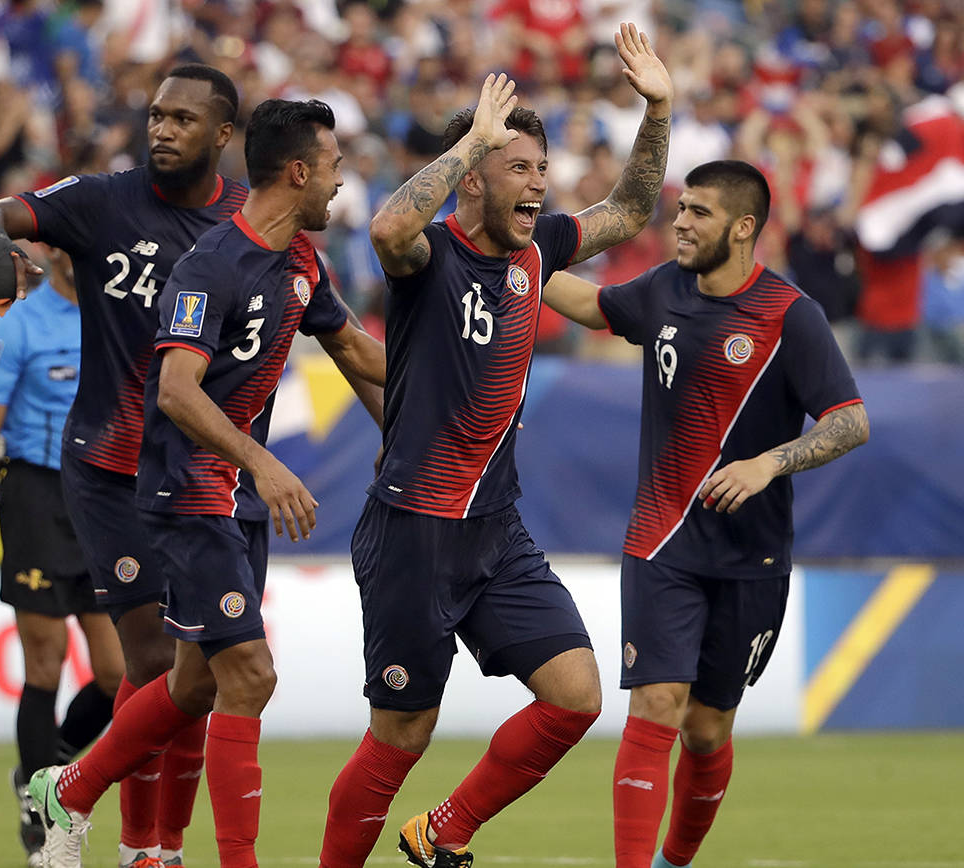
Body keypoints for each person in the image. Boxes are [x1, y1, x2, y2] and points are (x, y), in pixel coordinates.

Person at [318, 23, 673, 868]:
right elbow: (388, 228)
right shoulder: (429, 256)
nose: (539, 187)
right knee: (401, 735)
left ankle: (442, 830)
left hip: (495, 530)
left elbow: (627, 209)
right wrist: (473, 137)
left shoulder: (538, 252)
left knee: (577, 696)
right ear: (472, 178)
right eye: (520, 169)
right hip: (412, 531)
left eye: (542, 171)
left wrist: (658, 109)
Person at [26, 97, 386, 868]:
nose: (340, 186)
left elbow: (359, 355)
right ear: (298, 172)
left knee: (192, 683)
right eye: (333, 170)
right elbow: (177, 391)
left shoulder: (302, 264)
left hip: (238, 500)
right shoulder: (210, 264)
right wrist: (263, 460)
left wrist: (453, 400)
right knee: (250, 675)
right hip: (187, 494)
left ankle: (73, 789)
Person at [0, 63, 250, 868]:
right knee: (152, 662)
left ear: (223, 136)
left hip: (196, 473)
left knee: (191, 673)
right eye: (157, 115)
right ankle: (107, 823)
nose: (162, 129)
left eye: (184, 119)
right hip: (105, 468)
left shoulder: (249, 225)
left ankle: (135, 833)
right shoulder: (100, 201)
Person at [540, 160, 869, 868]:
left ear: (743, 228)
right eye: (680, 208)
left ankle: (676, 861)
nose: (680, 222)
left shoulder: (789, 315)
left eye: (698, 212)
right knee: (657, 701)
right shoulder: (663, 289)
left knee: (708, 727)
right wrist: (512, 255)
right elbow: (596, 306)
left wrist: (768, 463)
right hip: (661, 542)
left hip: (752, 556)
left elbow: (851, 420)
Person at [0, 246, 124, 868]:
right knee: (44, 664)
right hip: (35, 497)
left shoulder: (113, 313)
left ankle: (46, 768)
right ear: (48, 253)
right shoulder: (18, 327)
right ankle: (42, 808)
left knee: (116, 674)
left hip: (99, 495)